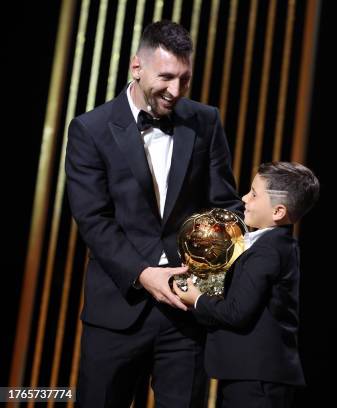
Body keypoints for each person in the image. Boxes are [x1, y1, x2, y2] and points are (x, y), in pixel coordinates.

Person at [65, 20, 243, 407]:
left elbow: (225, 207)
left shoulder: (205, 121)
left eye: (185, 79)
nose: (175, 91)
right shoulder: (89, 129)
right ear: (136, 67)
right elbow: (94, 220)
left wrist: (204, 286)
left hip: (185, 314)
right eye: (166, 77)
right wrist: (145, 275)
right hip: (117, 312)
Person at [173, 161, 320, 408]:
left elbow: (236, 312)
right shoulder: (274, 245)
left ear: (278, 212)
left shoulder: (269, 251)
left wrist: (196, 298)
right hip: (253, 375)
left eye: (253, 194)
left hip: (258, 379)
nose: (244, 198)